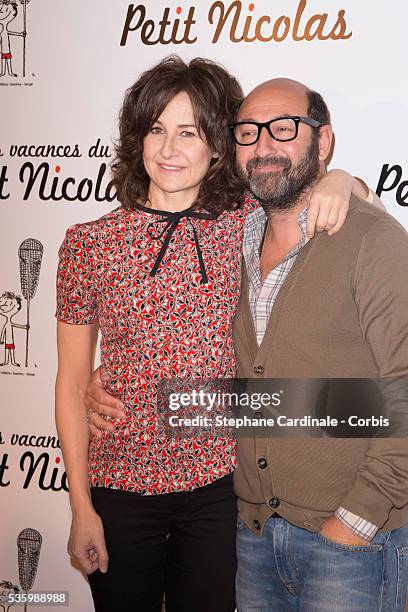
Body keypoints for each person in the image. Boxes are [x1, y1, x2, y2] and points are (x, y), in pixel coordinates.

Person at [57, 57, 379, 612]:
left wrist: (341, 178)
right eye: (156, 129)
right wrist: (80, 505)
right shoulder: (90, 243)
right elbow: (67, 381)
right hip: (119, 486)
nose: (169, 149)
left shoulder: (248, 222)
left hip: (220, 488)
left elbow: (341, 197)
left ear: (217, 146)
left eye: (189, 132)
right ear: (137, 140)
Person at [229, 78, 408, 611]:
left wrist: (354, 521)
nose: (262, 145)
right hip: (253, 539)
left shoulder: (372, 242)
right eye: (247, 131)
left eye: (283, 129)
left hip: (351, 546)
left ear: (322, 142)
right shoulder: (226, 240)